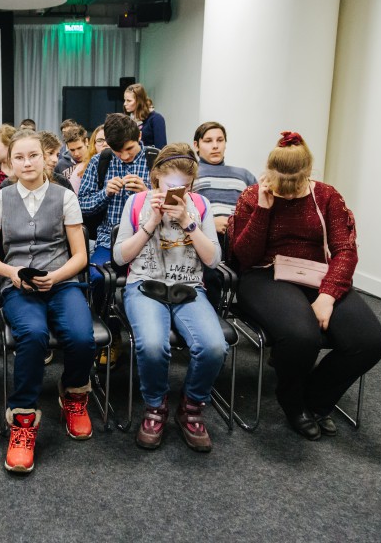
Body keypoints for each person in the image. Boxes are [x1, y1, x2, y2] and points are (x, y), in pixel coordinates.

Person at [229, 131, 381, 440]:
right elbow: (244, 256)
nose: (288, 195)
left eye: (295, 186)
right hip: (264, 275)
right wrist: (263, 209)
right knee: (302, 336)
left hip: (316, 275)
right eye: (282, 186)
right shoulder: (252, 195)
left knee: (369, 342)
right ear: (269, 172)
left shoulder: (327, 196)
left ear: (308, 172)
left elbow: (345, 251)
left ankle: (314, 399)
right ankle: (293, 403)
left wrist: (327, 296)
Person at [0, 129, 95, 474]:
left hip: (62, 281)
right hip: (18, 284)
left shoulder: (64, 196)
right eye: (19, 157)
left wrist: (56, 276)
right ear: (10, 162)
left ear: (46, 158)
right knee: (32, 335)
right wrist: (11, 272)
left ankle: (73, 395)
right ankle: (23, 421)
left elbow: (80, 256)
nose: (27, 162)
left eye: (33, 155)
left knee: (81, 336)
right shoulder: (2, 198)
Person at [113, 143, 227, 452]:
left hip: (189, 287)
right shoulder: (137, 202)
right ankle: (155, 405)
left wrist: (188, 223)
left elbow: (213, 260)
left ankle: (191, 406)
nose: (177, 193)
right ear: (156, 179)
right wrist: (151, 222)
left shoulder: (200, 205)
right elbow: (120, 257)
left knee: (214, 347)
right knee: (152, 345)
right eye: (169, 186)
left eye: (184, 187)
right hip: (144, 285)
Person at [78, 114, 158, 367]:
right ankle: (110, 335)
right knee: (98, 278)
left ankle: (155, 336)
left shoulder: (156, 161)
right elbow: (81, 206)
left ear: (139, 137)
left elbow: (175, 203)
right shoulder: (99, 162)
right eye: (117, 151)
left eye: (129, 149)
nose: (123, 156)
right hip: (108, 240)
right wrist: (105, 193)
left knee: (159, 279)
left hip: (151, 241)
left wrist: (147, 193)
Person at [191, 121, 256, 235]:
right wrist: (209, 224)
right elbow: (179, 212)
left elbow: (258, 211)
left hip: (241, 237)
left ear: (225, 143)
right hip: (204, 238)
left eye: (220, 140)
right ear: (196, 145)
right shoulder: (190, 174)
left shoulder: (244, 175)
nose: (215, 146)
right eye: (208, 141)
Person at [123, 83, 167, 149]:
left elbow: (161, 148)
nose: (125, 104)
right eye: (125, 100)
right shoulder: (127, 121)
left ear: (139, 101)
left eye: (129, 101)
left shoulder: (156, 119)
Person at [63, 123, 95, 192]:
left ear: (86, 142)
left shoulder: (96, 160)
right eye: (72, 150)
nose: (76, 154)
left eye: (79, 148)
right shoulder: (61, 165)